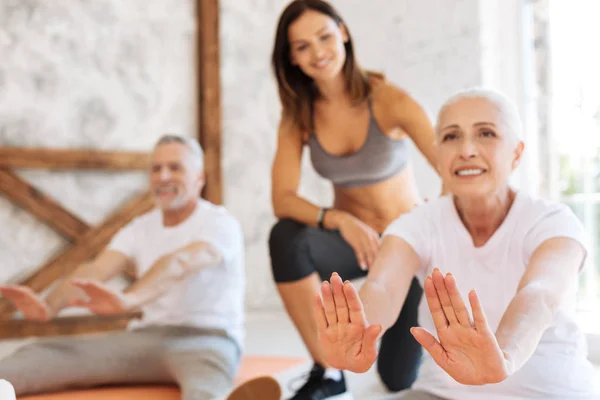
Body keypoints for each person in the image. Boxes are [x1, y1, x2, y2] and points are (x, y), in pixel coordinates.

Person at [314, 88, 600, 399]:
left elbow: (540, 293)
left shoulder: (553, 222)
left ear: (516, 153)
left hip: (550, 393)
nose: (466, 150)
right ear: (437, 154)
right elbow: (383, 286)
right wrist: (360, 330)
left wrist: (504, 355)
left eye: (486, 133)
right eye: (451, 137)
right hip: (442, 394)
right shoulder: (417, 223)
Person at [0, 134, 280, 400]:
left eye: (175, 168)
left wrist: (128, 299)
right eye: (156, 169)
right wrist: (49, 306)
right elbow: (96, 270)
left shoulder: (220, 223)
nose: (164, 176)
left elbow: (177, 263)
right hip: (147, 337)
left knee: (205, 389)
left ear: (199, 179)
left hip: (209, 339)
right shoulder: (140, 227)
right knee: (42, 353)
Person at [268, 0, 441, 398]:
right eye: (302, 46)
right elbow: (283, 199)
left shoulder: (388, 99)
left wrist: (439, 231)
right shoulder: (300, 115)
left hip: (406, 248)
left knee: (398, 378)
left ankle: (428, 336)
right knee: (286, 237)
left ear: (343, 33)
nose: (318, 53)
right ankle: (329, 369)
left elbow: (448, 165)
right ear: (292, 58)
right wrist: (339, 219)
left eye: (325, 37)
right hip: (353, 244)